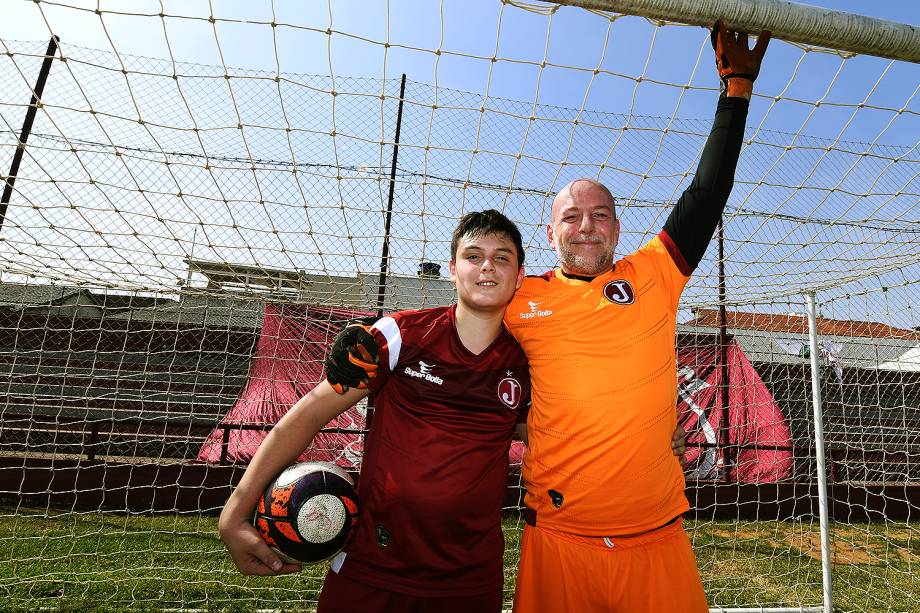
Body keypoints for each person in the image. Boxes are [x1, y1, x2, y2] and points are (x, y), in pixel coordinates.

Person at [326, 21, 769, 613]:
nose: (586, 225)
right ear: (550, 231)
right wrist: (367, 334)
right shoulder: (522, 296)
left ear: (617, 226)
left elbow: (706, 193)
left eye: (601, 214)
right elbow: (458, 306)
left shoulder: (656, 272)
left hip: (656, 532)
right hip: (558, 534)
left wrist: (734, 90)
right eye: (571, 216)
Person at [220, 210, 532, 612]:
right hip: (371, 566)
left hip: (469, 580)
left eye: (502, 257)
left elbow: (548, 437)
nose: (487, 265)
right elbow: (306, 415)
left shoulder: (529, 361)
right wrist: (234, 514)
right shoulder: (400, 335)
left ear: (520, 275)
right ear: (453, 270)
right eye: (473, 256)